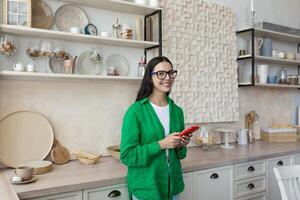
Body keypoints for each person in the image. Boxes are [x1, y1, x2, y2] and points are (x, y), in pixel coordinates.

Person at [120, 56, 192, 200]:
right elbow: (127, 155)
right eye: (161, 73)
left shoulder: (177, 111)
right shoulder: (136, 112)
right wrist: (161, 144)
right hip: (146, 189)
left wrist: (180, 145)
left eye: (171, 73)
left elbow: (181, 155)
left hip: (172, 188)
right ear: (150, 77)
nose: (167, 78)